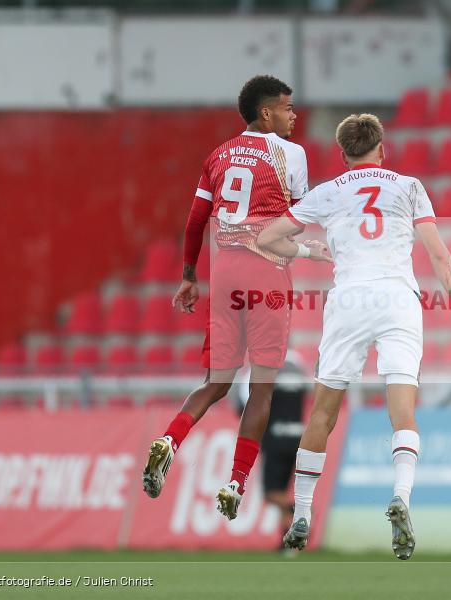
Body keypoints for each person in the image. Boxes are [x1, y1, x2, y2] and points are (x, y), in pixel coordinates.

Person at [257, 113, 451, 560]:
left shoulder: (327, 193)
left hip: (349, 300)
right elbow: (438, 251)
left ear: (343, 155)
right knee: (403, 411)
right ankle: (401, 496)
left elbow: (267, 237)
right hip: (398, 298)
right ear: (383, 149)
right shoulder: (409, 186)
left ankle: (301, 513)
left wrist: (309, 252)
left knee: (322, 413)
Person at [141, 75, 329, 523]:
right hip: (267, 273)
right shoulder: (292, 154)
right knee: (262, 388)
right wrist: (308, 251)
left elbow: (194, 221)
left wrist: (188, 276)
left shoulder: (217, 155)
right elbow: (294, 223)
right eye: (286, 107)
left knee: (216, 382)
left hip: (223, 276)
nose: (293, 114)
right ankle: (236, 482)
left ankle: (169, 439)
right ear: (266, 113)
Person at [231, 352, 308, 546]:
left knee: (271, 493)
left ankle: (297, 510)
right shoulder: (298, 368)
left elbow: (243, 405)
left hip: (274, 438)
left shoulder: (257, 370)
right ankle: (287, 543)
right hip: (298, 438)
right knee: (283, 490)